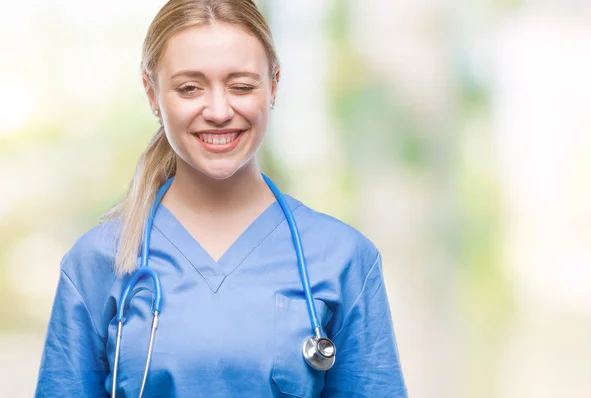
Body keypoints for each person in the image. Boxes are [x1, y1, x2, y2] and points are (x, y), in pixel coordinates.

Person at [35, 0, 408, 396]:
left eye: (242, 86)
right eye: (189, 88)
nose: (217, 110)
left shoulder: (343, 259)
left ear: (274, 85)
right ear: (152, 92)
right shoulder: (97, 262)